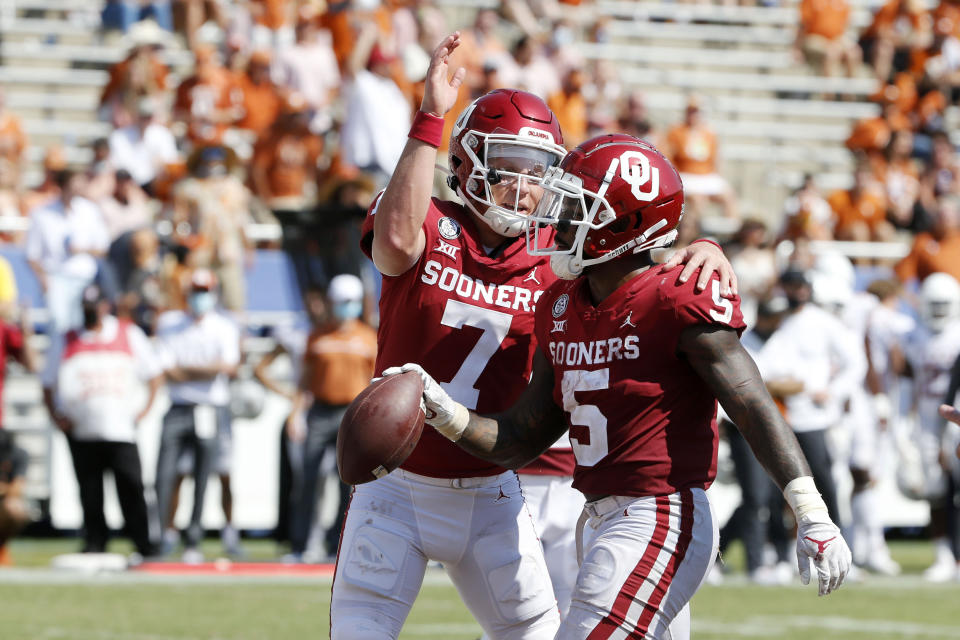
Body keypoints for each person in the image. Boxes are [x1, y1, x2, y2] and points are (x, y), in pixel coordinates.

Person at [331, 33, 737, 640]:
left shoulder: (558, 256)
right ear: (467, 163)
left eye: (536, 175)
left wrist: (697, 247)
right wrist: (431, 117)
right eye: (507, 170)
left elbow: (634, 248)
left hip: (495, 489)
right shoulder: (429, 220)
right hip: (399, 487)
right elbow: (393, 245)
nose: (523, 190)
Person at [392, 134, 850, 639]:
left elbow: (751, 404)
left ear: (623, 224)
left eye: (576, 207)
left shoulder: (677, 296)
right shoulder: (562, 304)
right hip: (597, 519)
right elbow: (520, 437)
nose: (556, 218)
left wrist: (811, 512)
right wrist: (443, 409)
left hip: (660, 514)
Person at [41, 285, 161, 558]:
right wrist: (57, 417)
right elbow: (47, 383)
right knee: (90, 491)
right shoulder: (68, 338)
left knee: (131, 486)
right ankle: (95, 541)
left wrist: (143, 411)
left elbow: (154, 375)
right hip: (83, 431)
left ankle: (143, 543)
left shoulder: (127, 333)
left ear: (106, 306)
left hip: (120, 429)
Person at [286, 274, 376, 562]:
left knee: (347, 483)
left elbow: (375, 383)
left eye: (349, 302)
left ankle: (337, 543)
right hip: (320, 411)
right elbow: (305, 381)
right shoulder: (317, 336)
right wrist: (295, 413)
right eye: (340, 302)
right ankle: (300, 544)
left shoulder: (368, 338)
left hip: (352, 414)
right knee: (308, 478)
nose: (345, 307)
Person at [154, 269, 240, 563]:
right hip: (178, 406)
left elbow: (228, 367)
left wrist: (187, 370)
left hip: (210, 408)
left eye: (205, 290)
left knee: (206, 475)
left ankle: (194, 537)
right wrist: (206, 369)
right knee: (166, 473)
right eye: (196, 290)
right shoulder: (170, 323)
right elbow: (167, 369)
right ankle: (164, 533)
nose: (199, 296)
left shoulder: (224, 326)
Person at [0, 429, 29, 565]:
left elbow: (17, 490)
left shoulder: (18, 454)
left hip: (3, 503)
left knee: (15, 509)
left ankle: (2, 548)